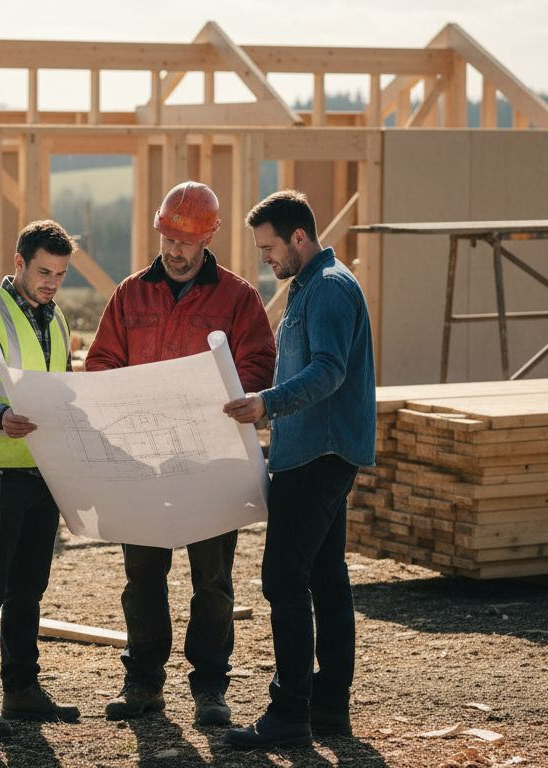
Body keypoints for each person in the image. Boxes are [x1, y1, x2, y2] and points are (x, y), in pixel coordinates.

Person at [86, 181, 276, 727]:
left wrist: (229, 396)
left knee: (211, 581)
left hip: (211, 462)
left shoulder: (238, 298)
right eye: (168, 237)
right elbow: (101, 363)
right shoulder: (130, 295)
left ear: (210, 237)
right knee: (142, 576)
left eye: (187, 241)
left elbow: (261, 365)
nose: (175, 250)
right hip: (143, 463)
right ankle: (143, 683)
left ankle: (210, 689)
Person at [222, 190, 376, 748]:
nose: (267, 260)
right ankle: (331, 708)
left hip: (317, 455)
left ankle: (289, 715)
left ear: (299, 238)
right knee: (326, 579)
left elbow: (329, 372)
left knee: (283, 579)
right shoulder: (313, 285)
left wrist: (267, 404)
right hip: (319, 452)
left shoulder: (329, 290)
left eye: (270, 248)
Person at [0, 219, 82, 739]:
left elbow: (59, 390)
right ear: (19, 262)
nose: (51, 282)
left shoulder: (57, 319)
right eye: (44, 271)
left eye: (61, 274)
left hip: (40, 472)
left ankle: (22, 692)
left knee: (29, 588)